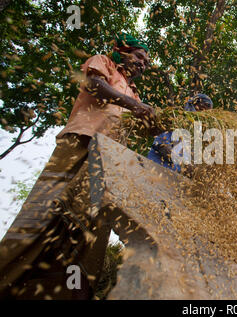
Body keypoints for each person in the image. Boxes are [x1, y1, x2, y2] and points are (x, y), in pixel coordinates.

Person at [0, 33, 156, 299]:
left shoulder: (135, 93)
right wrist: (135, 106)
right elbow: (94, 85)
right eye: (139, 57)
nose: (142, 64)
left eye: (146, 62)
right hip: (80, 142)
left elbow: (139, 125)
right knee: (45, 210)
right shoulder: (104, 62)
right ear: (123, 51)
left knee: (90, 227)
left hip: (108, 163)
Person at [146, 93, 213, 173]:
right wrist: (184, 165)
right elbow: (161, 146)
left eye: (206, 113)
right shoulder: (174, 119)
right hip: (154, 169)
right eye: (201, 109)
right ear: (192, 105)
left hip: (173, 179)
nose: (202, 115)